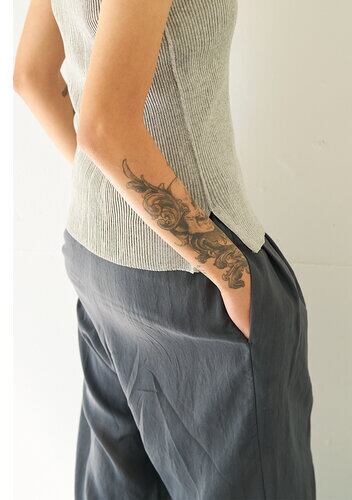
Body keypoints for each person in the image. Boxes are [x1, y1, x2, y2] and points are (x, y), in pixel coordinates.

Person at [14, 0, 316, 498]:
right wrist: (230, 272)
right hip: (193, 280)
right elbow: (105, 126)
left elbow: (32, 77)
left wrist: (108, 195)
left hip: (97, 258)